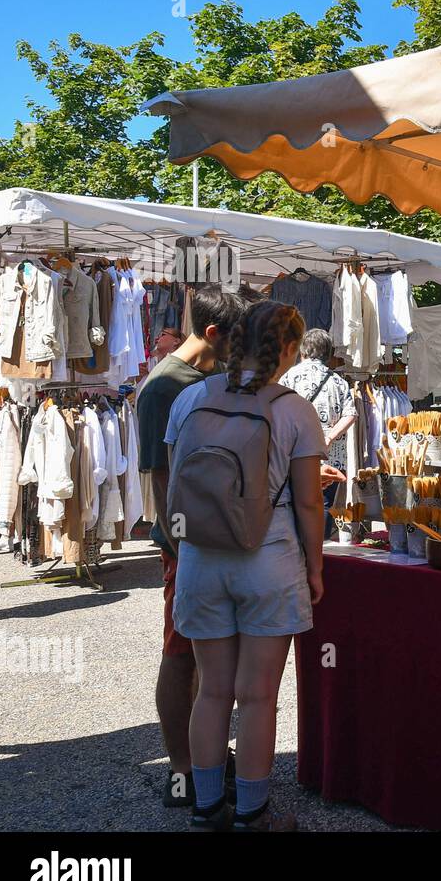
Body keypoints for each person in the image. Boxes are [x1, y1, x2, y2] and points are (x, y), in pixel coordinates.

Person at [166, 301, 326, 831]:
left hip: (199, 559)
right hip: (268, 560)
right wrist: (316, 567)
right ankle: (254, 813)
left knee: (212, 690)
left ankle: (207, 806)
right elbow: (308, 503)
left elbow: (178, 485)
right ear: (285, 349)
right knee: (257, 696)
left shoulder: (190, 398)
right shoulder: (294, 408)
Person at [136, 287, 246, 809]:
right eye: (233, 339)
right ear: (212, 335)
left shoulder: (202, 380)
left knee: (207, 653)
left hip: (211, 541)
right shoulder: (163, 388)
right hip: (184, 546)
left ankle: (205, 758)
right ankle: (181, 770)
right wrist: (179, 544)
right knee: (180, 653)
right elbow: (159, 477)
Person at [279, 328, 354, 539]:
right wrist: (329, 437)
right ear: (328, 353)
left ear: (303, 351)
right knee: (324, 503)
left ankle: (298, 548)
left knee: (296, 500)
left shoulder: (289, 376)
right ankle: (320, 550)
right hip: (331, 455)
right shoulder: (339, 382)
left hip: (298, 452)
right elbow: (351, 415)